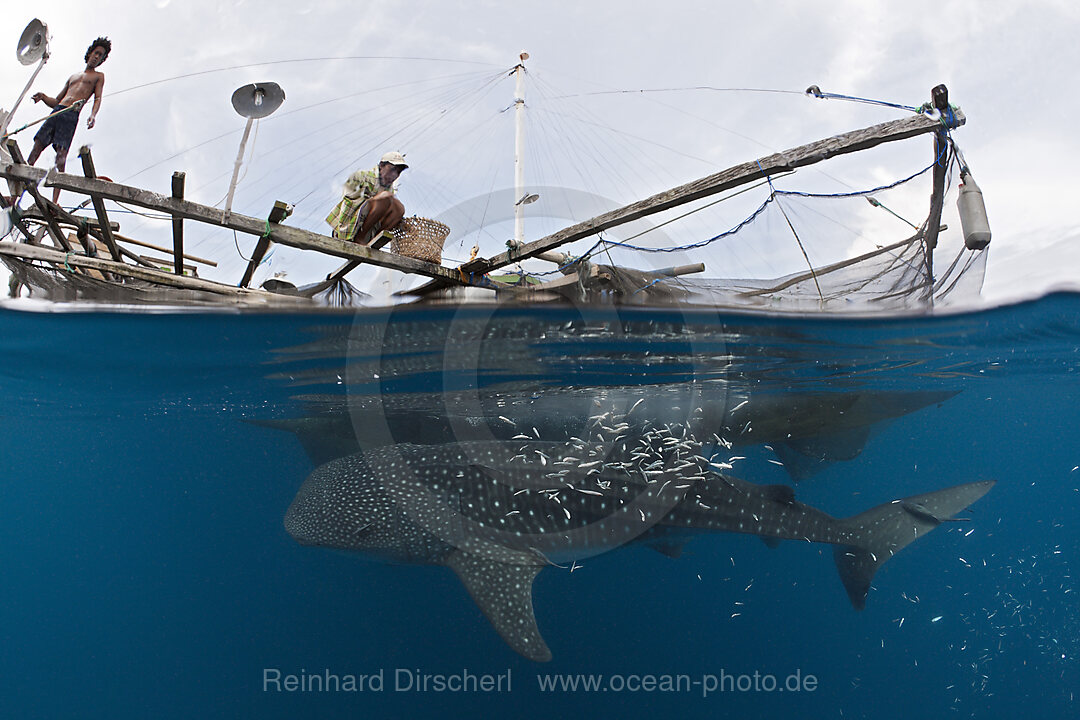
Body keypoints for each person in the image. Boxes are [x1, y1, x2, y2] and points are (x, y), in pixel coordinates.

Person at [26, 37, 110, 203]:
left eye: (100, 56)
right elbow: (56, 101)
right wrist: (43, 97)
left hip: (71, 115)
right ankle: (20, 188)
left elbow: (98, 98)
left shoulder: (98, 76)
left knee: (61, 157)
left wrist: (93, 115)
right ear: (90, 53)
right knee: (37, 147)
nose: (97, 57)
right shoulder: (73, 76)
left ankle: (54, 201)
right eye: (96, 53)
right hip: (58, 111)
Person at [325, 151, 408, 244]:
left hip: (368, 229)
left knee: (399, 208)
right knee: (386, 197)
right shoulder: (361, 177)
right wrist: (376, 199)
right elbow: (349, 200)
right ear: (381, 166)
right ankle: (360, 238)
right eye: (392, 169)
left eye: (398, 172)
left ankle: (374, 240)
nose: (394, 175)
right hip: (348, 228)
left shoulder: (390, 190)